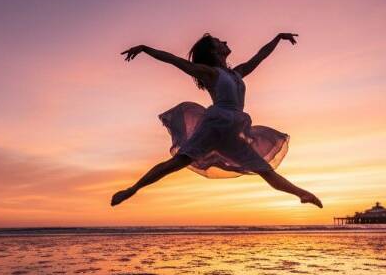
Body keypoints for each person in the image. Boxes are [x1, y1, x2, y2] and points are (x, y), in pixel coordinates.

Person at [111, 33, 322, 208]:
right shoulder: (209, 73)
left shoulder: (237, 72)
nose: (226, 42)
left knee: (264, 169)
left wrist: (278, 38)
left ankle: (301, 194)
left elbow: (260, 57)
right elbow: (175, 61)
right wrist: (145, 48)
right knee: (176, 163)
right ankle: (132, 189)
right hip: (215, 125)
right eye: (220, 41)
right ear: (213, 50)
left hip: (233, 130)